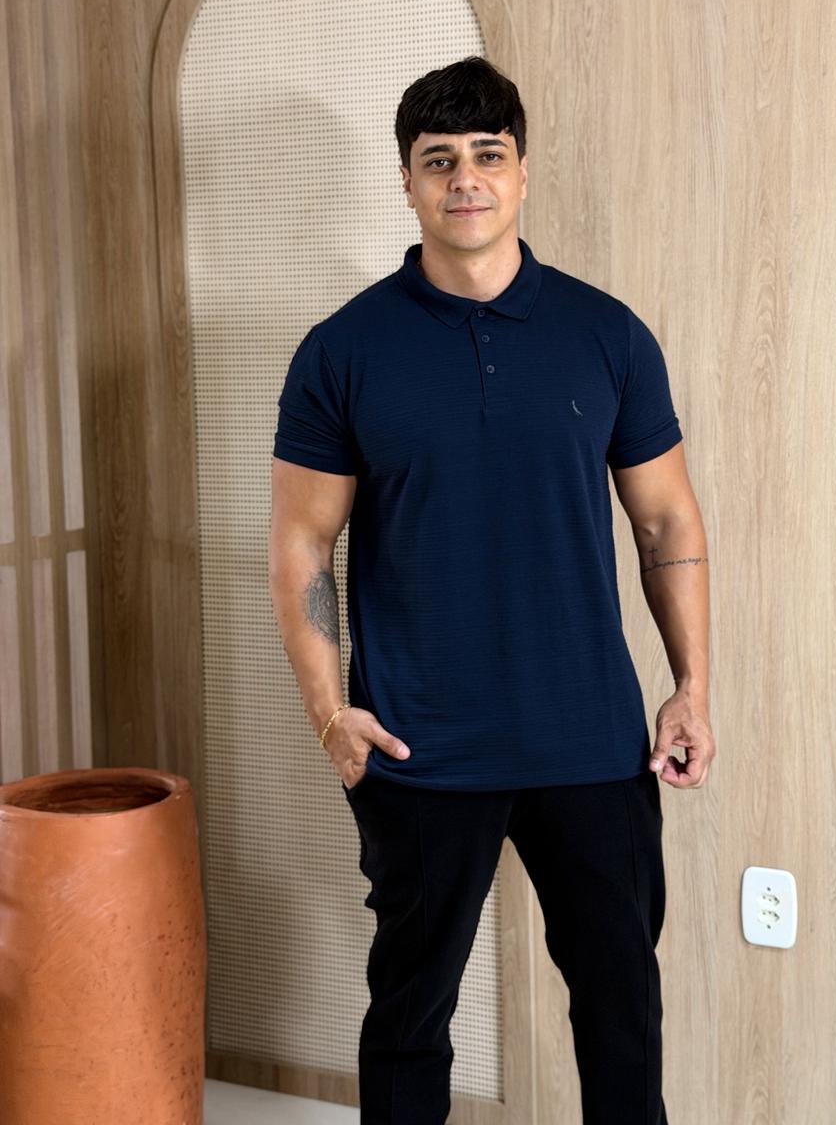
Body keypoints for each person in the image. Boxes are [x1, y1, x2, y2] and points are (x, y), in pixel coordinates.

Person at [269, 56, 715, 1125]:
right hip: (420, 747)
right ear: (407, 181)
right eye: (438, 161)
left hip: (592, 744)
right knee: (409, 1014)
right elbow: (301, 545)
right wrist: (328, 712)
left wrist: (692, 686)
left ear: (521, 172)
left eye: (487, 155)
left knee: (621, 1007)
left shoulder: (608, 335)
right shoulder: (343, 351)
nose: (464, 178)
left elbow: (667, 523)